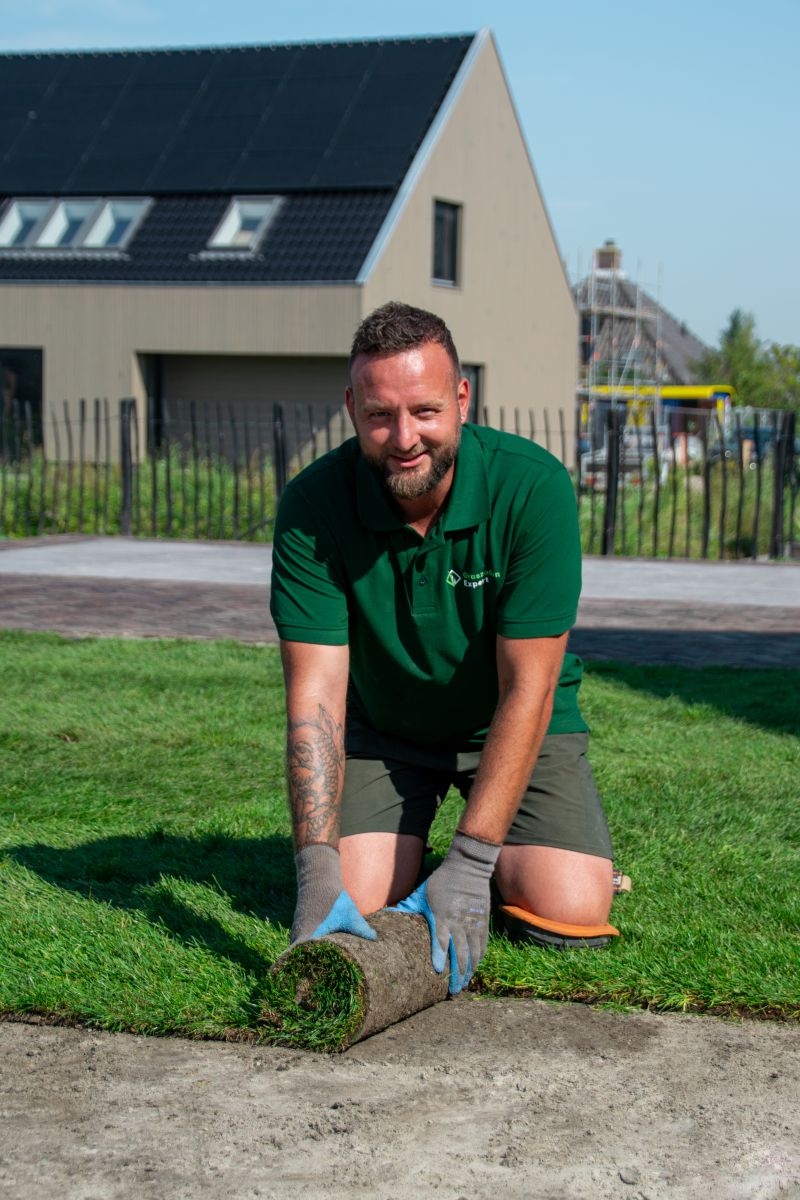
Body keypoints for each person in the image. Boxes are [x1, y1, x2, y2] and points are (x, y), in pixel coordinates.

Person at [270, 301, 615, 995]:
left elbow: (531, 689)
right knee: (356, 906)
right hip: (386, 732)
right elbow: (316, 696)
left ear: (462, 398)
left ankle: (490, 858)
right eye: (379, 415)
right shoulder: (313, 505)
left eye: (424, 411)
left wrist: (472, 861)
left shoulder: (534, 488)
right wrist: (315, 870)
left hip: (507, 722)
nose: (403, 437)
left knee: (569, 910)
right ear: (351, 407)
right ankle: (408, 852)